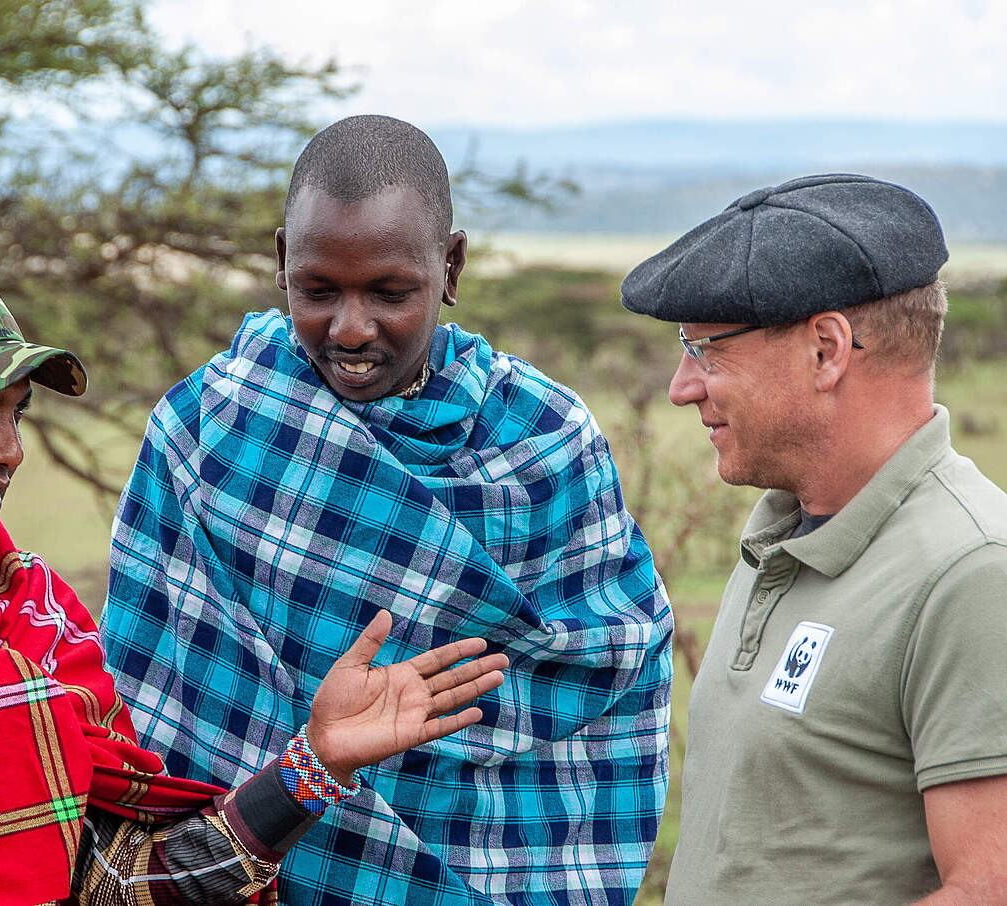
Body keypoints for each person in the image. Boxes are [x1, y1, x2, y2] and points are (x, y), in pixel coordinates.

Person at [0, 256, 507, 905]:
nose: (10, 450)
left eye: (15, 412)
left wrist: (311, 767)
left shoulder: (32, 620)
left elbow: (117, 884)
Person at [102, 114, 674, 905]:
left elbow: (611, 658)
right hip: (255, 854)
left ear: (451, 266)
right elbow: (149, 685)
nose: (351, 329)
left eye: (389, 293)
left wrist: (439, 726)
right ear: (280, 264)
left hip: (491, 862)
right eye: (318, 291)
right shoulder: (206, 427)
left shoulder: (545, 438)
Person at [621, 174, 1007, 903]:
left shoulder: (972, 573)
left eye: (707, 349)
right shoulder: (782, 535)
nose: (681, 386)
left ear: (826, 350)